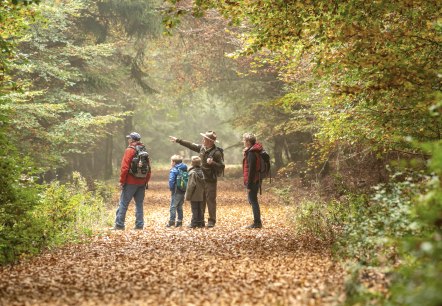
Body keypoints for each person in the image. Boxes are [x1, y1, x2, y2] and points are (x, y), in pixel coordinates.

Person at [169, 131, 224, 228]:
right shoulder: (202, 148)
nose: (203, 140)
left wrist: (213, 163)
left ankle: (211, 221)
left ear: (210, 141)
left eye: (205, 139)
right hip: (200, 179)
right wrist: (178, 140)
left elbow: (222, 166)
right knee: (200, 199)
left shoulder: (217, 153)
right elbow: (190, 145)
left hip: (210, 180)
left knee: (210, 200)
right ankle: (200, 220)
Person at [113, 132, 151, 230]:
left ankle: (119, 225)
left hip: (130, 181)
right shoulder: (144, 150)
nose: (128, 140)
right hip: (142, 182)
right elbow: (149, 168)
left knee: (123, 203)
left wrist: (122, 181)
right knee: (139, 204)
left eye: (129, 138)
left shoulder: (129, 150)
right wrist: (145, 181)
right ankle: (139, 225)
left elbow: (125, 167)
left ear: (132, 140)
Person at [242, 132, 263, 228]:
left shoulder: (252, 153)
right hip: (256, 180)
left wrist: (249, 185)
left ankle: (257, 222)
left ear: (248, 142)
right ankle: (257, 222)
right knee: (252, 200)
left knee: (253, 201)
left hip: (253, 181)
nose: (243, 142)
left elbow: (251, 171)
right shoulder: (254, 151)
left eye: (244, 140)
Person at [167, 154, 188, 227]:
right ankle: (179, 221)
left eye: (171, 161)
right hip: (183, 190)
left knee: (173, 206)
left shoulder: (174, 170)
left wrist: (171, 188)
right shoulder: (184, 168)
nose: (171, 163)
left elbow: (171, 180)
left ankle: (172, 221)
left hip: (176, 190)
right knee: (179, 206)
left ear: (174, 162)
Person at [185, 156, 205, 228]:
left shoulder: (192, 173)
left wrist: (188, 196)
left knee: (194, 209)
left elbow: (191, 185)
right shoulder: (202, 172)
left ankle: (194, 223)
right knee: (200, 208)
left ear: (192, 163)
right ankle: (201, 222)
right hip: (201, 193)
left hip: (194, 194)